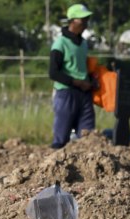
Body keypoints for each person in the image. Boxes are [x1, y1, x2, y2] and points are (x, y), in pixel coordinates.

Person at [48, 3, 96, 149]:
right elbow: (53, 73)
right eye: (83, 20)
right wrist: (77, 82)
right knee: (61, 138)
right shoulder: (60, 44)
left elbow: (81, 67)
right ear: (73, 21)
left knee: (88, 136)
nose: (86, 23)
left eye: (87, 20)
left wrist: (89, 80)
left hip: (84, 94)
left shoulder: (83, 44)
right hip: (66, 93)